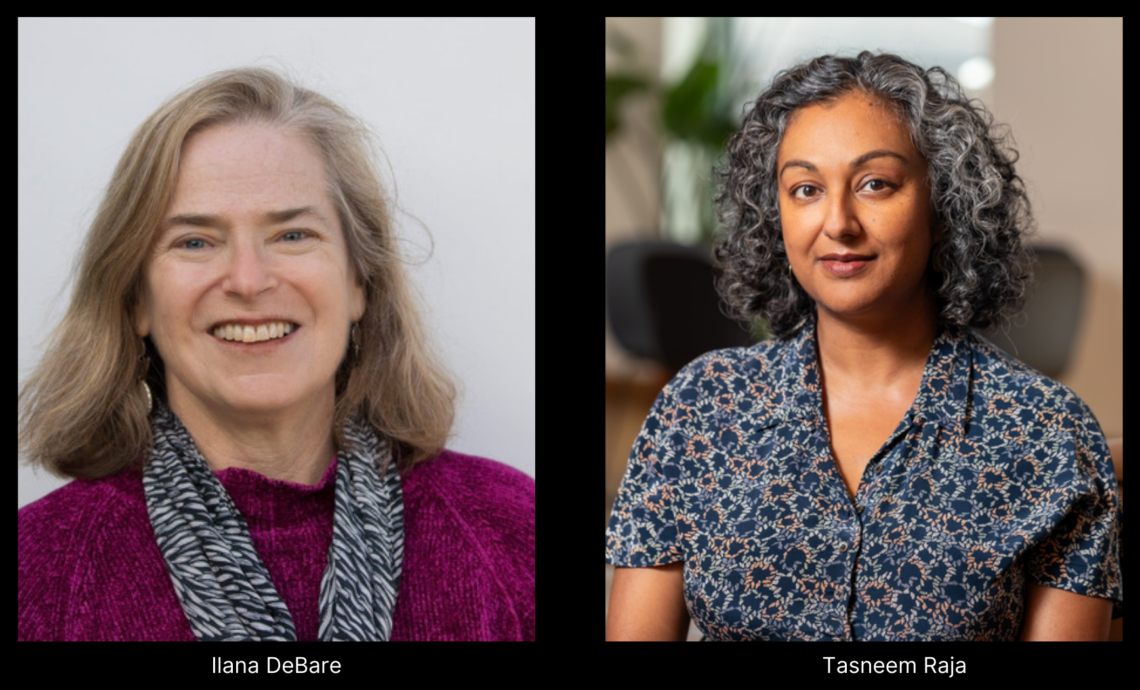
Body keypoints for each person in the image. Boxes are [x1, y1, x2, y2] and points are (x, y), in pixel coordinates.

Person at [605, 51, 1121, 641]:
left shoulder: (1046, 433)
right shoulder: (701, 407)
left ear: (944, 207)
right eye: (805, 189)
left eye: (876, 184)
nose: (838, 222)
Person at [18, 67, 535, 641]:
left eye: (292, 235)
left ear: (359, 281)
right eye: (195, 242)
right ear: (136, 298)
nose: (247, 279)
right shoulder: (37, 571)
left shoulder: (511, 529)